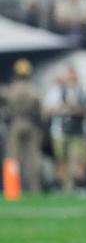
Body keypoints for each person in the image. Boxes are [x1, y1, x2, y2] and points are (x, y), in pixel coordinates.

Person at [3, 59, 44, 192]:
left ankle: (12, 188)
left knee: (13, 157)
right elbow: (40, 109)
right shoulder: (33, 89)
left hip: (15, 123)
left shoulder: (11, 88)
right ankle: (34, 187)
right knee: (32, 158)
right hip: (30, 123)